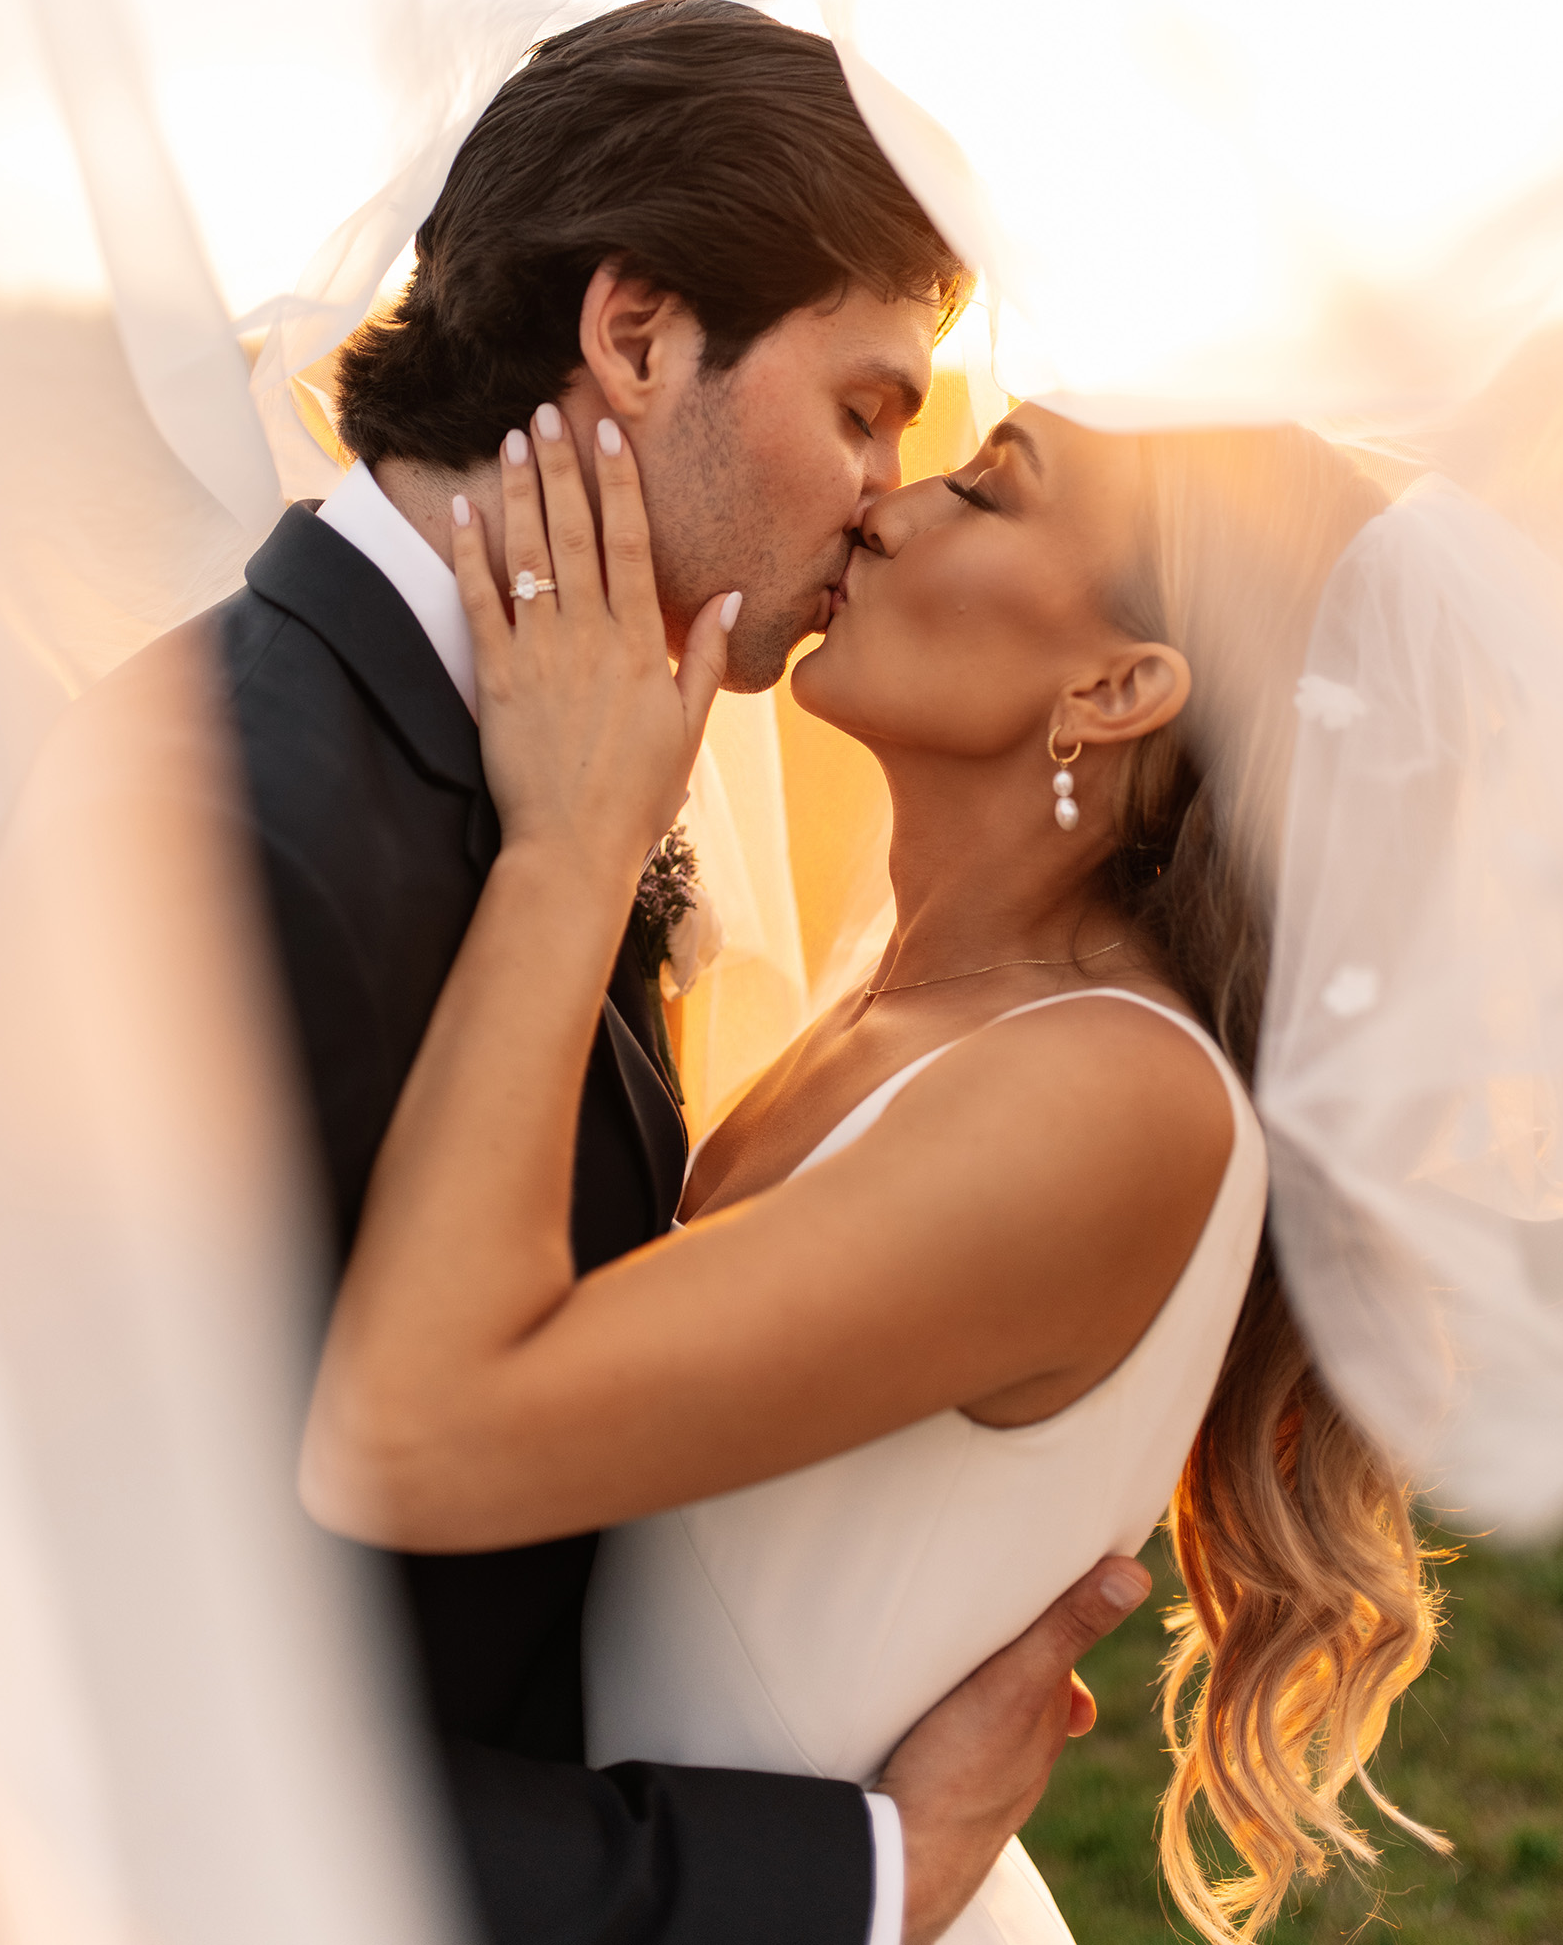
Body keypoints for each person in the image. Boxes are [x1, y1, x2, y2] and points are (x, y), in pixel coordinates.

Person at [207, 0, 1150, 1945]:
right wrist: (867, 1873)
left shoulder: (552, 739)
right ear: (638, 334)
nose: (888, 491)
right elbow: (136, 1731)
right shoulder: (245, 836)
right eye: (868, 403)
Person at [299, 400, 1449, 1944]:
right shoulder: (917, 1009)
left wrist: (568, 852)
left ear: (1116, 688)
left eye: (987, 489)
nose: (889, 509)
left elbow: (417, 1436)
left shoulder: (1108, 1100)